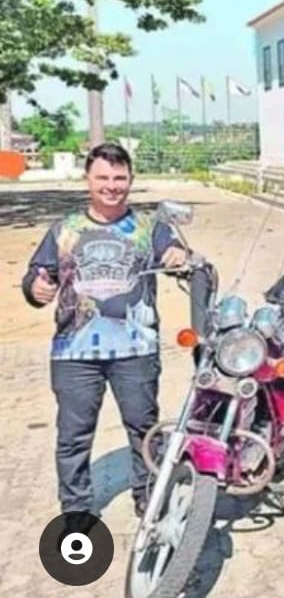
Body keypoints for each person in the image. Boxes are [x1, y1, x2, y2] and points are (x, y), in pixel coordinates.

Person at [22, 142, 188, 517]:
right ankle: (77, 507)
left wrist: (179, 255)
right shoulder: (65, 230)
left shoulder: (151, 228)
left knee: (144, 429)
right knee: (73, 437)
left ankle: (147, 496)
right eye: (103, 178)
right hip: (74, 353)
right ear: (87, 180)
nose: (112, 185)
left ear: (130, 179)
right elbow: (36, 275)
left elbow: (177, 256)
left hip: (136, 350)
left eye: (119, 177)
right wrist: (35, 287)